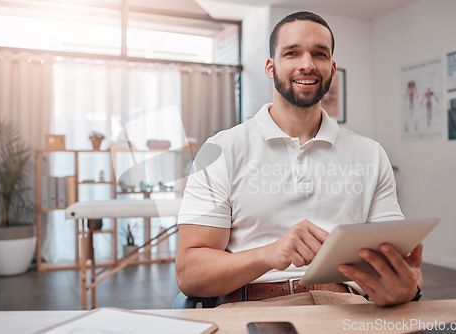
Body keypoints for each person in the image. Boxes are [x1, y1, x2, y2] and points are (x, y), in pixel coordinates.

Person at [176, 11, 423, 308]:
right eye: (292, 53)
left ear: (331, 68)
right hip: (253, 308)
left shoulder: (371, 154)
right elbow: (190, 273)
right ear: (271, 66)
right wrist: (269, 254)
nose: (307, 64)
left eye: (319, 54)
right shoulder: (221, 150)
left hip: (348, 308)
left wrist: (408, 287)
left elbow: (397, 263)